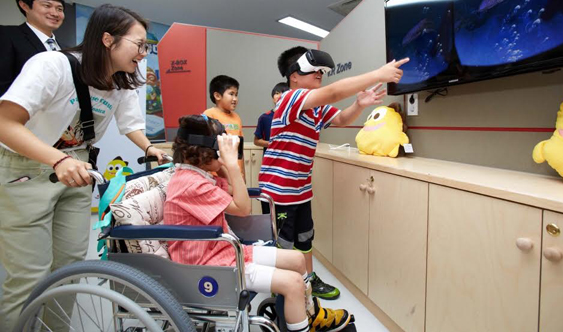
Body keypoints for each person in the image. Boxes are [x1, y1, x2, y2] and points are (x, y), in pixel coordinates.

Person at [0, 3, 168, 330]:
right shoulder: (52, 66)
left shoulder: (120, 81)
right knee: (29, 277)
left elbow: (130, 124)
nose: (143, 53)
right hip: (27, 168)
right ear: (108, 39)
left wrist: (150, 149)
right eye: (139, 44)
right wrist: (57, 159)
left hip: (77, 171)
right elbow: (5, 123)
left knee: (69, 270)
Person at [164, 114, 352, 332]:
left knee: (297, 259)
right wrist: (231, 164)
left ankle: (308, 313)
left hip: (222, 251)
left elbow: (234, 189)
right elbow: (243, 208)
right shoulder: (192, 185)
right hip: (209, 265)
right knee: (293, 283)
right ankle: (302, 321)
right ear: (203, 153)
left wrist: (223, 163)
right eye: (219, 148)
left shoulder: (197, 177)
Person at [259, 46, 408, 300]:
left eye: (321, 70)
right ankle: (283, 292)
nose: (319, 73)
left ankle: (308, 280)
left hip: (301, 190)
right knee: (282, 245)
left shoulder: (317, 108)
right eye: (312, 69)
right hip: (279, 192)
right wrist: (378, 74)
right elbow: (334, 92)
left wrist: (358, 105)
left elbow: (341, 119)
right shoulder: (289, 99)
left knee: (305, 238)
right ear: (294, 76)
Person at [0, 0, 66, 96]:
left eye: (59, 9)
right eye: (47, 6)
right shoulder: (6, 35)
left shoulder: (67, 49)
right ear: (25, 6)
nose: (55, 13)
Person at [203, 74, 245, 178]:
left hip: (235, 173)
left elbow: (240, 149)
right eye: (231, 94)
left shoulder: (237, 117)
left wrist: (242, 174)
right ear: (217, 96)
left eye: (236, 95)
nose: (235, 99)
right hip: (216, 175)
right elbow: (204, 148)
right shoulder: (209, 115)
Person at [254, 82, 289, 152]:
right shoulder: (264, 118)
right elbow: (256, 141)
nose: (280, 96)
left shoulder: (293, 117)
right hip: (270, 157)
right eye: (277, 93)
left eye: (283, 93)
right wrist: (272, 144)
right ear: (273, 98)